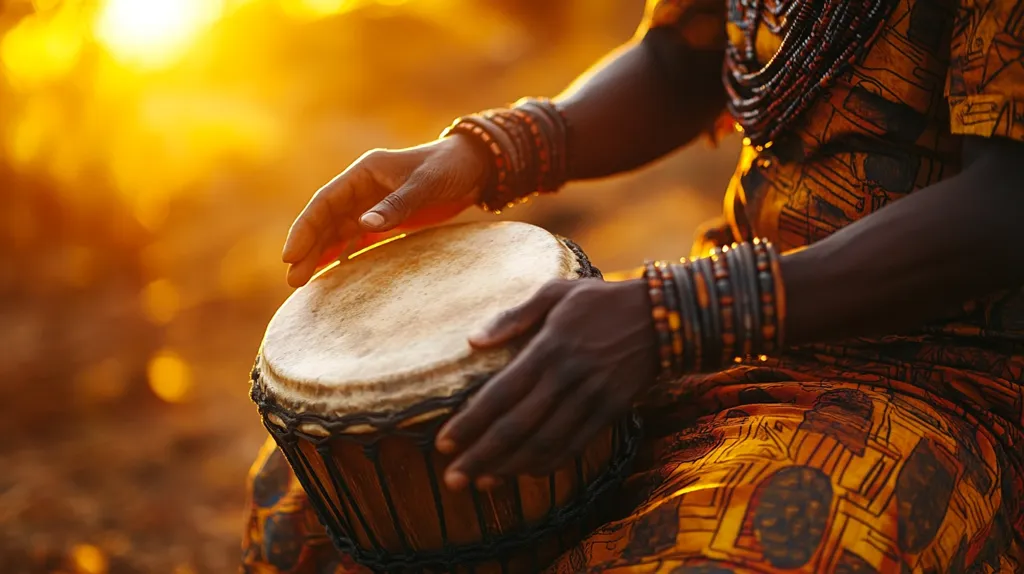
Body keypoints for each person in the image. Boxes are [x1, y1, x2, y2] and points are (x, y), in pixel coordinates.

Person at [242, 0, 1024, 571]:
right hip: (723, 329)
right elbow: (685, 61)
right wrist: (491, 151)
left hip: (946, 377)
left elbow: (1007, 205)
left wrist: (674, 315)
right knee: (325, 491)